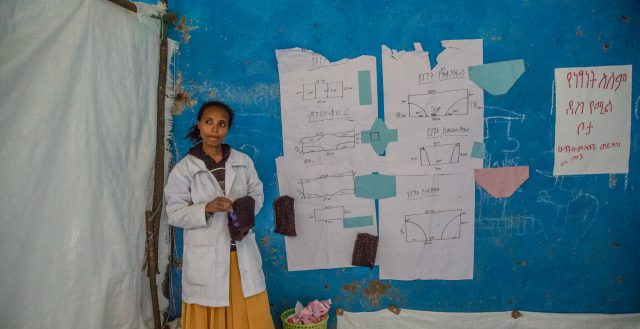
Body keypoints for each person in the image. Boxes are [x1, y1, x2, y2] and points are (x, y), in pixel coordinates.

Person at [164, 101, 274, 329]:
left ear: (227, 129)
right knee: (211, 316)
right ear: (199, 125)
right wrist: (207, 208)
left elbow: (257, 195)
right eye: (209, 122)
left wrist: (243, 208)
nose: (214, 129)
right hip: (207, 258)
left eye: (221, 124)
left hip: (239, 253)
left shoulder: (243, 162)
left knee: (248, 313)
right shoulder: (185, 169)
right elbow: (174, 213)